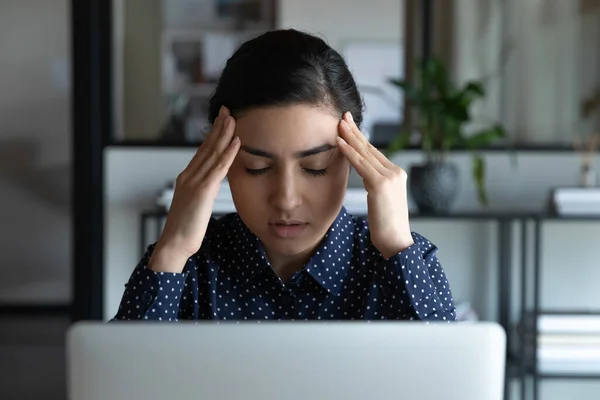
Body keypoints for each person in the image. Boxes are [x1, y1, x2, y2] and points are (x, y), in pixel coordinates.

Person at [114, 29, 456, 322]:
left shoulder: (403, 261)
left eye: (315, 167)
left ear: (355, 159)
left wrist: (397, 247)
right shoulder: (186, 266)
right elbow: (116, 383)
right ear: (221, 162)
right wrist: (172, 249)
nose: (286, 199)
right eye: (257, 168)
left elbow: (448, 381)